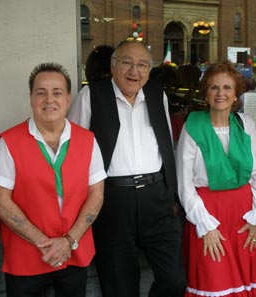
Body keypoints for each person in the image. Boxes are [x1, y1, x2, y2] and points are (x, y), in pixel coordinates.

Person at [68, 39, 186, 297]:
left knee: (175, 279)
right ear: (113, 65)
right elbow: (73, 152)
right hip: (112, 200)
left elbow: (166, 147)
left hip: (156, 198)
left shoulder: (157, 95)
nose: (135, 71)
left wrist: (172, 194)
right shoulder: (91, 95)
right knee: (120, 285)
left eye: (142, 64)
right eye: (127, 63)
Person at [0, 62, 106, 297]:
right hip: (26, 255)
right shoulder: (10, 142)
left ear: (68, 98)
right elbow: (0, 202)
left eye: (57, 92)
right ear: (31, 97)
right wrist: (45, 243)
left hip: (74, 251)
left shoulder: (87, 140)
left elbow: (96, 195)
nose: (49, 100)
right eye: (41, 92)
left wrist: (68, 241)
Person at [175, 61, 256, 297]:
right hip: (207, 216)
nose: (221, 93)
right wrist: (205, 225)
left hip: (245, 217)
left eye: (227, 88)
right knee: (213, 280)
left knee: (249, 279)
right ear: (206, 94)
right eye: (214, 88)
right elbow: (185, 184)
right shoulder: (192, 127)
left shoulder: (246, 124)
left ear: (236, 95)